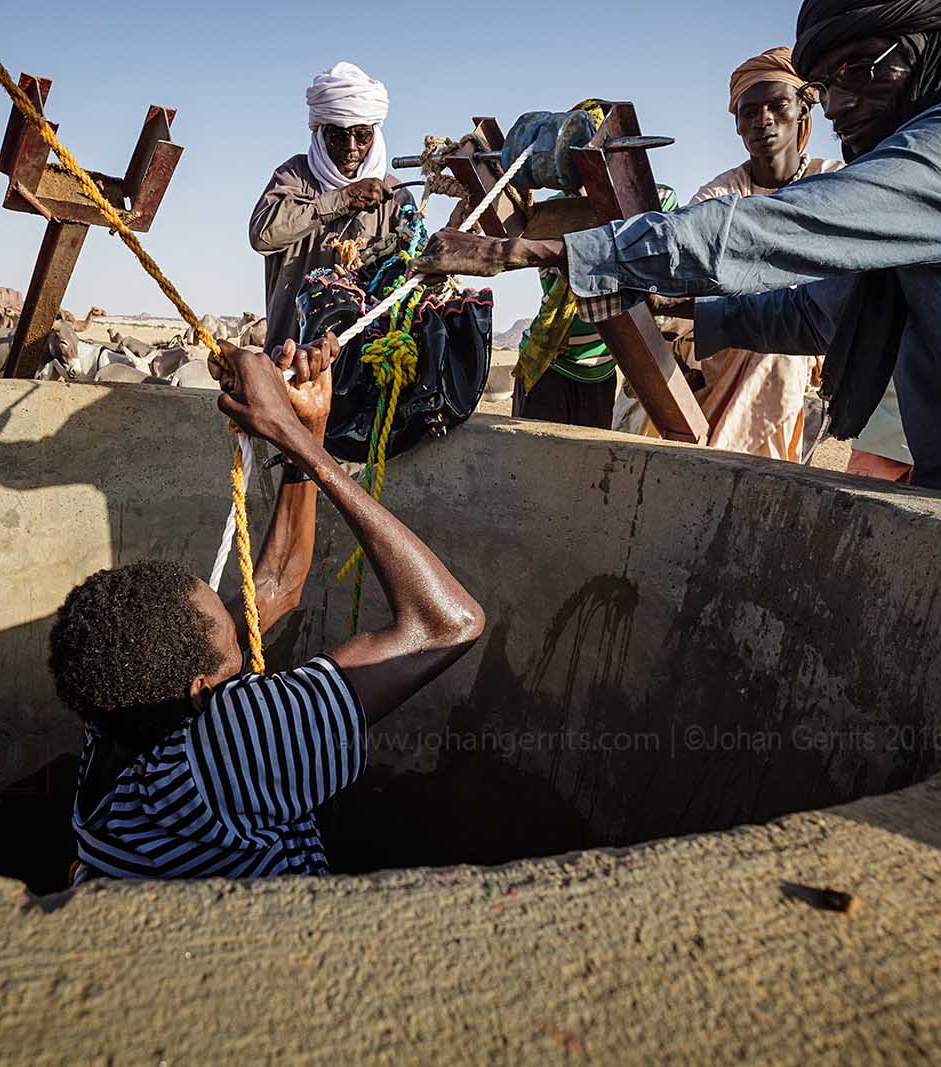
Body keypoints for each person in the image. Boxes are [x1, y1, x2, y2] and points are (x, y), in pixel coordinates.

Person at [411, 0, 941, 520]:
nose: (840, 106)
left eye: (858, 72)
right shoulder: (917, 174)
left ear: (930, 48)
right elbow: (819, 311)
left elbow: (770, 230)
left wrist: (526, 250)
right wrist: (689, 315)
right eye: (828, 83)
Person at [49, 335, 484, 881]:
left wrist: (307, 427)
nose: (242, 624)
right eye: (234, 647)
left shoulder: (118, 720)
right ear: (203, 694)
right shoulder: (221, 754)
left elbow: (275, 586)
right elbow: (451, 625)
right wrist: (293, 440)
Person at [677, 47, 847, 461]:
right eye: (749, 111)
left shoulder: (836, 184)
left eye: (777, 105)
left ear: (803, 111)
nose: (763, 120)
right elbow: (684, 260)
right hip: (722, 344)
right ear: (736, 124)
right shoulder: (718, 196)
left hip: (812, 345)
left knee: (780, 349)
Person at [250, 62, 414, 350]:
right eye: (339, 135)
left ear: (374, 135)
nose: (351, 147)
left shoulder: (395, 198)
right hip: (291, 353)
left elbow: (412, 269)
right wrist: (342, 199)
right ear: (322, 134)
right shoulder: (295, 176)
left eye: (362, 135)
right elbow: (263, 235)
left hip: (366, 358)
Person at [515, 185, 680, 429]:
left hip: (600, 370)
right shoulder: (551, 212)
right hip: (549, 365)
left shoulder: (647, 200)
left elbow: (666, 208)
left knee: (588, 461)